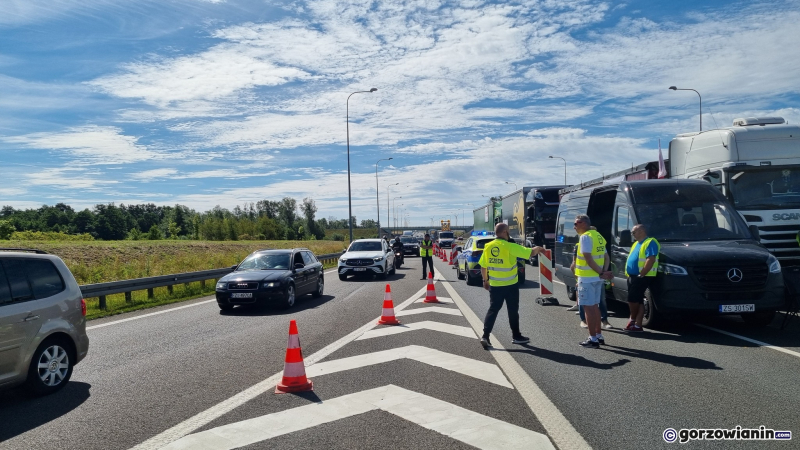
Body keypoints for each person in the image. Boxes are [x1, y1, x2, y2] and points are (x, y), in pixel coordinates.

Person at [479, 222, 545, 349]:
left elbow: (483, 265)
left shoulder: (488, 246)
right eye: (508, 231)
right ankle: (516, 336)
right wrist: (538, 248)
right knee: (513, 311)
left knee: (493, 310)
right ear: (504, 232)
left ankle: (485, 336)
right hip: (510, 286)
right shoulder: (509, 246)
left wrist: (485, 280)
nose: (509, 233)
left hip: (495, 285)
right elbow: (530, 253)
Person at [572, 215, 613, 348]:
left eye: (576, 223)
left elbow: (588, 259)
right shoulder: (599, 236)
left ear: (583, 223)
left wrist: (601, 273)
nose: (574, 226)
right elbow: (606, 257)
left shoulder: (585, 237)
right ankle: (599, 335)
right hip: (597, 278)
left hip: (588, 278)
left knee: (588, 309)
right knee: (595, 306)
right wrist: (603, 273)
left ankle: (593, 339)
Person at [624, 224, 660, 332]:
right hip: (633, 276)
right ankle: (638, 325)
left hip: (642, 276)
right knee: (638, 300)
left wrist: (642, 273)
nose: (632, 234)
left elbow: (651, 259)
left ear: (642, 231)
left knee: (632, 299)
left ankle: (632, 320)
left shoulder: (650, 242)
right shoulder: (636, 243)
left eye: (634, 232)